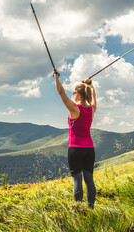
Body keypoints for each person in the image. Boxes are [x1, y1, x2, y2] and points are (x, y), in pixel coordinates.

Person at [53, 68, 97, 209]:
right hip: (89, 149)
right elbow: (93, 96)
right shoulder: (92, 109)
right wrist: (90, 84)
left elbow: (61, 93)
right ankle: (91, 208)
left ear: (78, 95)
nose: (73, 95)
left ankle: (78, 209)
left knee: (77, 180)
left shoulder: (74, 109)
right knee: (89, 180)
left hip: (75, 149)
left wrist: (56, 77)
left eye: (74, 93)